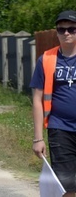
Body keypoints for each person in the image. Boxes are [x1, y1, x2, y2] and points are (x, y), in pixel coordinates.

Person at [31, 10, 76, 196]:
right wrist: (38, 138)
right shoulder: (46, 60)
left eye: (72, 29)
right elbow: (37, 99)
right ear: (56, 32)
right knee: (67, 185)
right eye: (61, 29)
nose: (66, 33)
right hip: (60, 129)